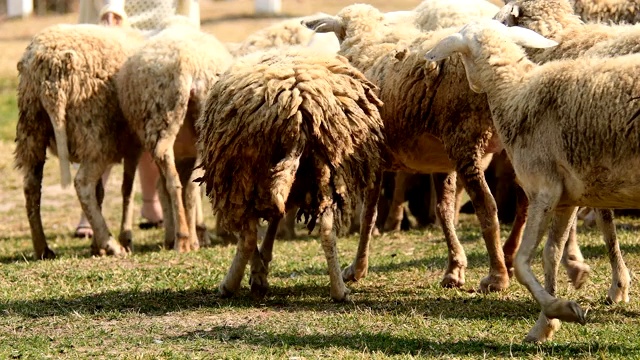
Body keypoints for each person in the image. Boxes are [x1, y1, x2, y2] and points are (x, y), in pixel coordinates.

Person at [74, 0, 200, 238]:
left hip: (163, 31)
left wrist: (188, 34)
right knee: (107, 121)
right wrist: (110, 8)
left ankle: (151, 204)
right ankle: (89, 212)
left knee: (152, 122)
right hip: (117, 29)